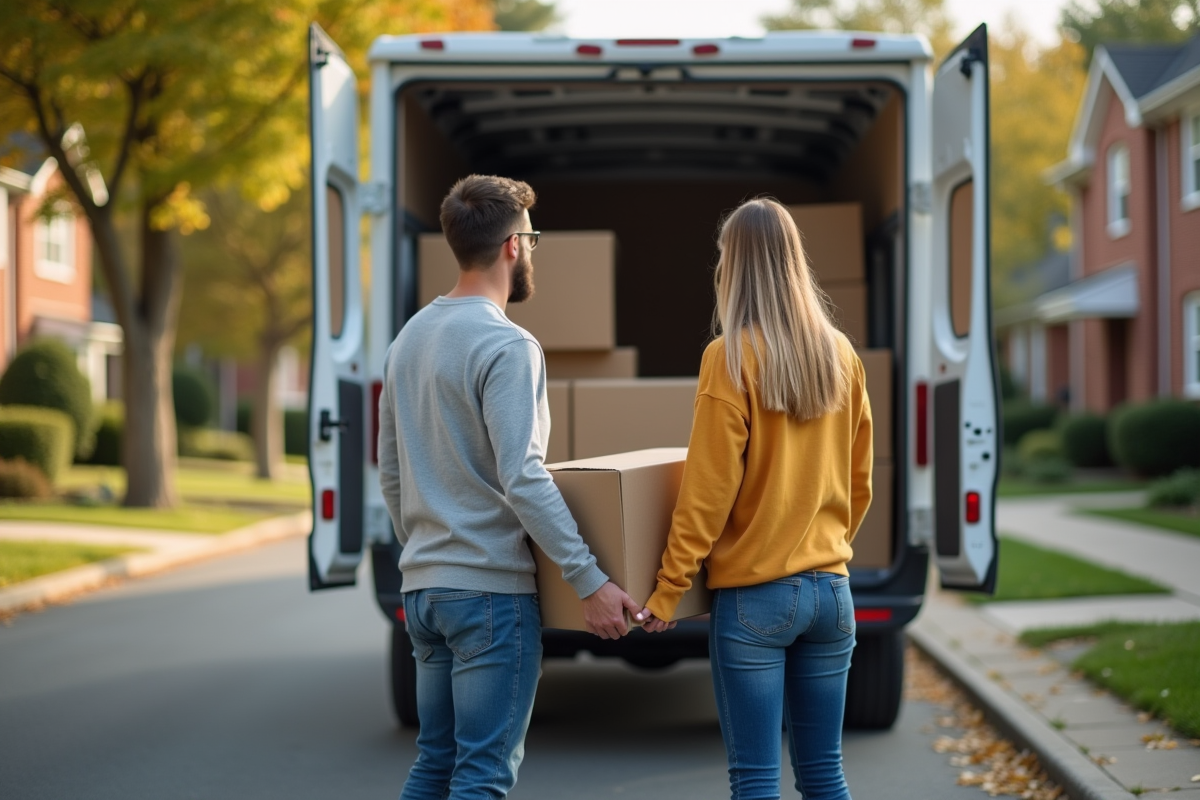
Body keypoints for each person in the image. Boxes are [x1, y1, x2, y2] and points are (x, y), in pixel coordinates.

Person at [377, 174, 641, 800]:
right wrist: (590, 580)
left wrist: (427, 552)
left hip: (425, 592)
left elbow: (390, 472)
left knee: (434, 765)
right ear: (513, 246)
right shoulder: (506, 344)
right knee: (482, 776)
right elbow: (523, 476)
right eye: (533, 237)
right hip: (488, 596)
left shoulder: (407, 340)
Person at [636, 197, 873, 800]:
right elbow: (861, 480)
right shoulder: (841, 354)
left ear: (734, 267)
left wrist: (668, 590)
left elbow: (708, 493)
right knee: (825, 775)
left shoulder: (730, 357)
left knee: (756, 781)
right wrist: (826, 544)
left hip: (757, 601)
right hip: (832, 593)